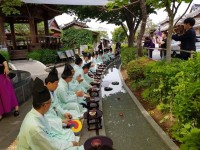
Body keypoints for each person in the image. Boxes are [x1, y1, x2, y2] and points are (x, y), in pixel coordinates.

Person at [17, 77, 84, 150]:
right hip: (39, 146)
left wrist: (61, 122)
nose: (51, 105)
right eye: (50, 103)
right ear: (45, 105)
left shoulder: (36, 113)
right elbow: (50, 146)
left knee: (68, 133)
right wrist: (70, 144)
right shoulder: (35, 128)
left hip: (46, 139)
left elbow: (47, 123)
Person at [0, 54, 19, 120]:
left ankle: (16, 108)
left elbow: (3, 60)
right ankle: (0, 113)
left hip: (2, 76)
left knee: (8, 93)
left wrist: (6, 66)